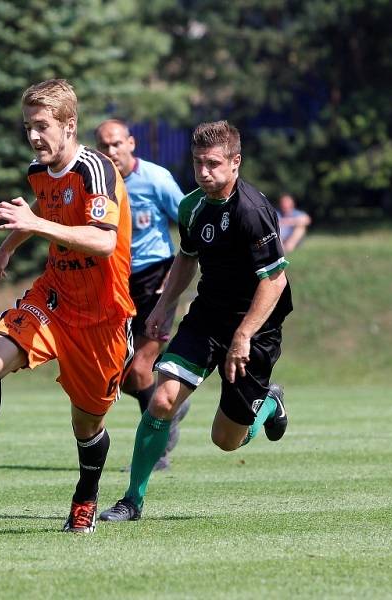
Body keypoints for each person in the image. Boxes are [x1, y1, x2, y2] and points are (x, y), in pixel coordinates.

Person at [0, 79, 135, 534]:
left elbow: (102, 240)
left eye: (42, 127)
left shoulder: (96, 171)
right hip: (53, 298)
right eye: (28, 127)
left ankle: (85, 498)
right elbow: (43, 204)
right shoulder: (40, 169)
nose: (34, 137)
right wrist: (8, 249)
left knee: (86, 426)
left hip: (103, 318)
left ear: (69, 125)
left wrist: (34, 223)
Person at [100, 120, 292, 522]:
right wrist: (163, 306)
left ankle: (269, 403)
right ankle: (132, 500)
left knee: (225, 440)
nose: (204, 172)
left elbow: (274, 281)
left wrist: (243, 335)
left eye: (213, 164)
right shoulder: (192, 206)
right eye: (198, 163)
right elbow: (186, 257)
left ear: (235, 163)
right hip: (206, 317)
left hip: (255, 327)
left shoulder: (253, 212)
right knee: (162, 399)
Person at [95, 119, 189, 471]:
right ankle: (173, 404)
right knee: (113, 373)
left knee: (139, 370)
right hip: (116, 285)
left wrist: (178, 277)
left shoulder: (156, 179)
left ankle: (157, 450)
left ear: (131, 143)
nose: (112, 151)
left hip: (157, 283)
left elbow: (190, 223)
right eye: (104, 146)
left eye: (117, 143)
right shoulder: (98, 186)